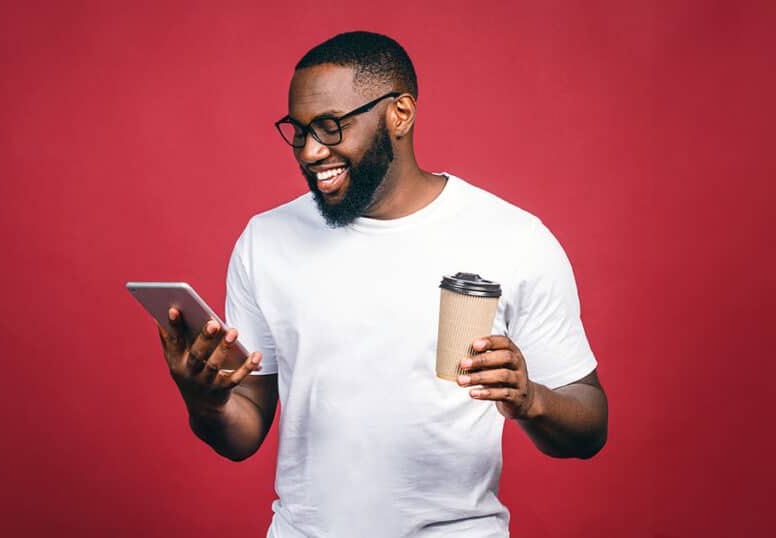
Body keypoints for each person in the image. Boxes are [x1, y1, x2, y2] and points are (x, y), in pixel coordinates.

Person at [156, 31, 608, 538]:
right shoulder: (266, 241)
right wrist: (205, 400)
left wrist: (532, 400)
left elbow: (590, 425)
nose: (309, 151)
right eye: (298, 130)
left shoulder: (512, 237)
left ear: (400, 114)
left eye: (329, 127)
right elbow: (242, 434)